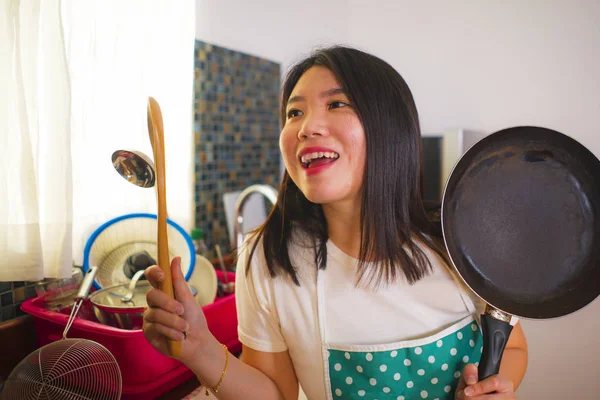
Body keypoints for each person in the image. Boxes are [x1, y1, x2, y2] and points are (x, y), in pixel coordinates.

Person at [143, 45, 528, 400]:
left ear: (388, 128)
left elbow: (512, 346)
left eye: (337, 103)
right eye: (295, 112)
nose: (307, 126)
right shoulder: (270, 259)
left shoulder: (458, 243)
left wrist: (495, 386)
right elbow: (276, 394)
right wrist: (200, 350)